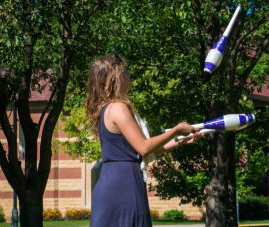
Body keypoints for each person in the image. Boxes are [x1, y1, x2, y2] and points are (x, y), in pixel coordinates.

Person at [85, 54, 202, 226]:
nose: (129, 75)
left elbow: (140, 150)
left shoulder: (107, 109)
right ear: (116, 76)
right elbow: (144, 148)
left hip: (114, 181)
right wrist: (177, 129)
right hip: (124, 183)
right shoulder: (118, 108)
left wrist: (181, 140)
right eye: (126, 71)